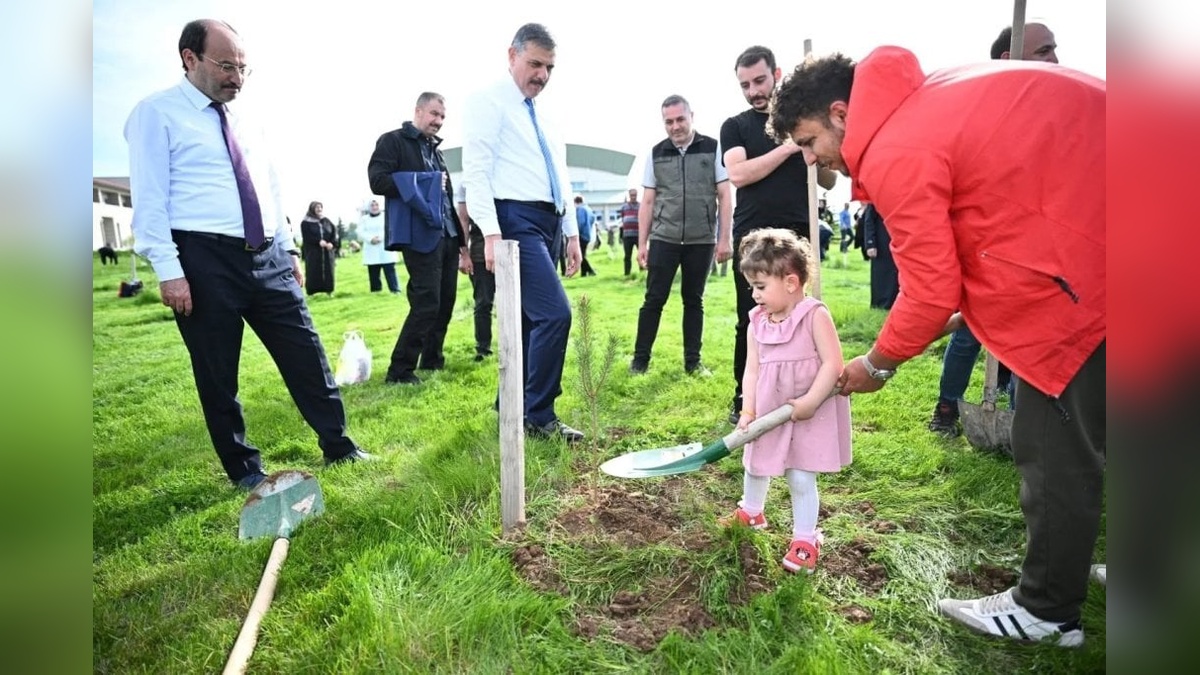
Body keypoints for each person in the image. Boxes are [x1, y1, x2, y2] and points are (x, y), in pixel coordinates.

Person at [768, 47, 1104, 646]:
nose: (813, 158)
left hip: (1099, 260)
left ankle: (1047, 609)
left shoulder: (897, 148)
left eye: (810, 140)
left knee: (1051, 436)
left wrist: (878, 363)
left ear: (841, 113)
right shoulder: (929, 100)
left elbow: (929, 289)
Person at [124, 19, 370, 489]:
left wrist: (289, 246)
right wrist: (170, 271)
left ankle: (339, 446)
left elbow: (270, 188)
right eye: (225, 66)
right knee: (218, 372)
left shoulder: (246, 119)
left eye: (242, 68)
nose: (236, 77)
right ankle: (244, 469)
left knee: (307, 353)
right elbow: (150, 200)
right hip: (204, 259)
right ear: (189, 58)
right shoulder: (156, 113)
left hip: (270, 254)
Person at [927, 22, 1058, 434]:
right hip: (985, 244)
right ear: (1010, 56)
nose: (1055, 59)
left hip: (1037, 245)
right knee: (969, 329)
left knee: (1028, 335)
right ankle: (948, 407)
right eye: (1044, 51)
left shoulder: (1049, 109)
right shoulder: (983, 107)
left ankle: (1022, 422)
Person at [461, 22, 584, 443]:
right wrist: (490, 233)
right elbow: (475, 172)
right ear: (512, 55)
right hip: (514, 220)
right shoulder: (487, 102)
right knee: (554, 314)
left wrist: (570, 233)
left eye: (549, 67)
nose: (542, 75)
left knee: (533, 320)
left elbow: (561, 173)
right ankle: (539, 415)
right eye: (534, 64)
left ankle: (508, 403)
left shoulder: (547, 113)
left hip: (549, 221)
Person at [722, 228, 850, 574]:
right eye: (752, 286)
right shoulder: (756, 324)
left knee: (800, 476)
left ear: (791, 282)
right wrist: (748, 409)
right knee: (755, 462)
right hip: (768, 409)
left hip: (807, 411)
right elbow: (751, 371)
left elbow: (833, 365)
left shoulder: (814, 316)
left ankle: (806, 538)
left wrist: (810, 401)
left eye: (760, 287)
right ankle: (751, 511)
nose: (754, 295)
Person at [720, 45, 837, 424]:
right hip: (753, 237)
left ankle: (805, 393)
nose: (754, 90)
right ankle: (745, 398)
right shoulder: (735, 126)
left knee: (801, 316)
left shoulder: (799, 121)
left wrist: (809, 150)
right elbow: (738, 174)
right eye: (745, 85)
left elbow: (831, 180)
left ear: (777, 74)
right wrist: (788, 149)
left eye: (759, 80)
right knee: (752, 318)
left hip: (799, 233)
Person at [368, 92, 467, 385]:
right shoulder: (392, 141)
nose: (438, 121)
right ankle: (400, 370)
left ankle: (432, 360)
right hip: (418, 235)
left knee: (445, 301)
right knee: (426, 302)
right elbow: (377, 181)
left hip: (447, 234)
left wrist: (462, 243)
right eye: (434, 114)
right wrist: (425, 181)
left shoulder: (436, 151)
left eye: (442, 117)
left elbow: (447, 198)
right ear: (419, 111)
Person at [629, 95, 732, 377]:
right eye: (669, 121)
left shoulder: (713, 148)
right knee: (653, 300)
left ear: (691, 116)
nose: (675, 126)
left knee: (693, 300)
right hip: (664, 238)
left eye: (680, 119)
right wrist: (642, 243)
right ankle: (640, 361)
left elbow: (724, 195)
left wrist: (725, 239)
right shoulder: (655, 153)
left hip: (701, 239)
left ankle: (693, 363)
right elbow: (647, 201)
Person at [455, 185, 495, 362]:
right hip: (479, 252)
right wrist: (463, 254)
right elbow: (463, 220)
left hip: (512, 249)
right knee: (483, 302)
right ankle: (483, 347)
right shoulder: (466, 184)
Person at [860, 203, 898, 309]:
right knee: (881, 274)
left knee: (895, 275)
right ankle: (880, 305)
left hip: (896, 241)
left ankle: (893, 303)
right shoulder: (875, 197)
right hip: (880, 243)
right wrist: (870, 243)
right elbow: (869, 221)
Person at [358, 198, 401, 294]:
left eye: (376, 205)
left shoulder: (386, 216)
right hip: (371, 248)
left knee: (390, 270)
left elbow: (391, 227)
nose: (374, 207)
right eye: (372, 205)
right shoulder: (364, 219)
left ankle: (395, 289)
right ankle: (376, 291)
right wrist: (371, 238)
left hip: (385, 246)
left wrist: (381, 237)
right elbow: (360, 231)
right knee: (373, 271)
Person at [299, 201, 338, 296]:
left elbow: (334, 233)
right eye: (317, 207)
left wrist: (332, 243)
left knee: (328, 271)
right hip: (313, 252)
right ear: (312, 209)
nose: (319, 209)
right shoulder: (305, 222)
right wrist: (318, 241)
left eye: (320, 207)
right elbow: (306, 237)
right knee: (313, 270)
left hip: (327, 252)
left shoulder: (326, 221)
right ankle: (312, 292)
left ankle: (328, 290)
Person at [618, 188, 640, 276]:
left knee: (640, 254)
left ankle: (642, 271)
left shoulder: (640, 206)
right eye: (632, 195)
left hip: (638, 235)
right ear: (629, 196)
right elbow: (622, 219)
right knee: (627, 256)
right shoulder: (624, 207)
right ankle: (627, 273)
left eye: (635, 195)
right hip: (627, 235)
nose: (633, 197)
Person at [574, 195, 597, 276]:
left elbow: (580, 222)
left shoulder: (580, 209)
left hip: (581, 234)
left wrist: (575, 232)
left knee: (580, 255)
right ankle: (583, 273)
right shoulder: (589, 209)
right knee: (583, 254)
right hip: (588, 234)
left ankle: (590, 270)